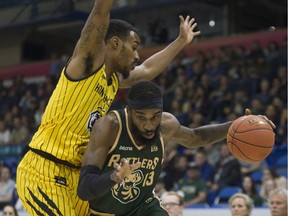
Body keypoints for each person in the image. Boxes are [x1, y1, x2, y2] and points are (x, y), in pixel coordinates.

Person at [16, 0, 201, 215]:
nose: (137, 55)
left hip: (77, 179)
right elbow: (100, 12)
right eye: (134, 47)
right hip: (44, 169)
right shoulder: (85, 65)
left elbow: (148, 70)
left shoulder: (114, 81)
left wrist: (180, 41)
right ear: (114, 43)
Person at [77, 81, 275, 215]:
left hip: (144, 207)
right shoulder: (108, 126)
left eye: (155, 116)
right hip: (104, 212)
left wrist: (237, 124)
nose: (148, 125)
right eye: (141, 117)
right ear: (128, 111)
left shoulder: (166, 124)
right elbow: (84, 189)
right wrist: (115, 177)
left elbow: (197, 137)